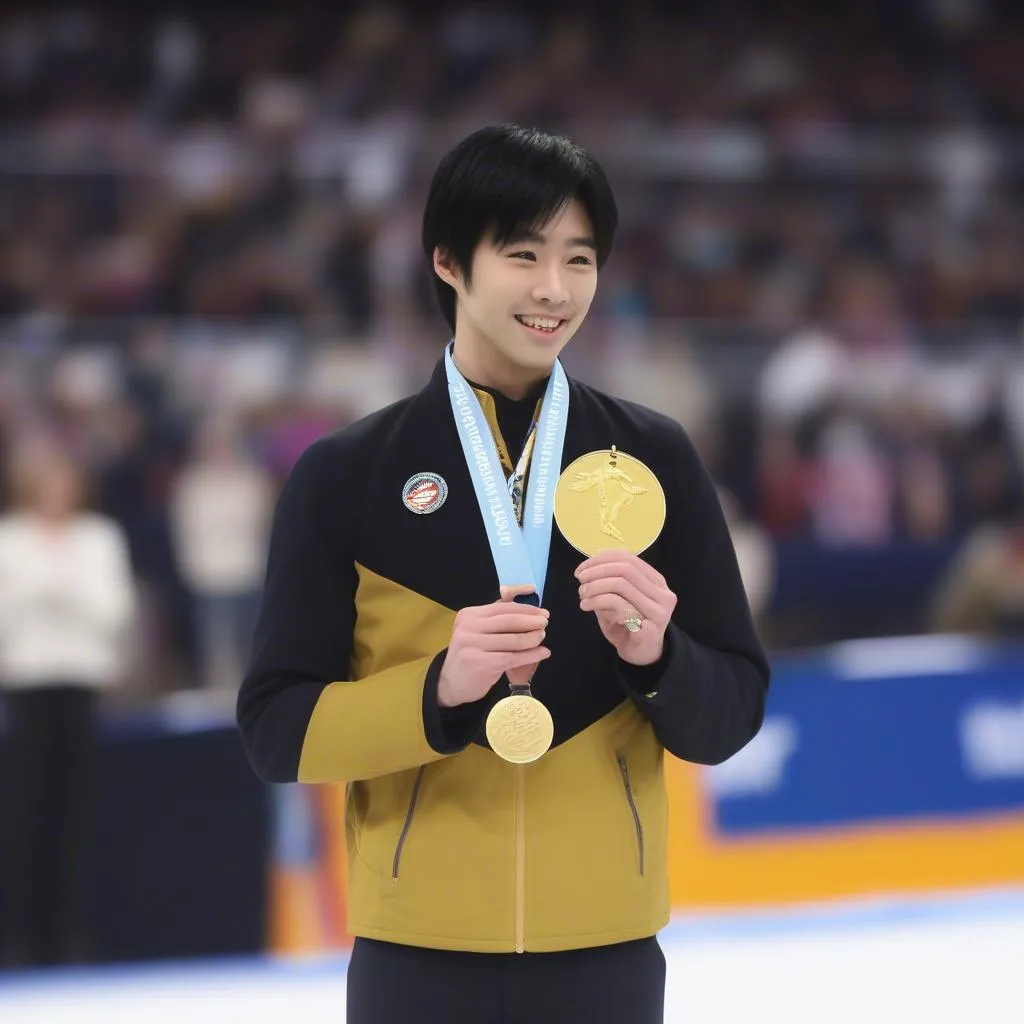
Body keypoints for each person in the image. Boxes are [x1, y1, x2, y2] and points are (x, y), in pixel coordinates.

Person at [237, 125, 771, 1023]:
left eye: (580, 258)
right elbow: (275, 730)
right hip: (417, 954)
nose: (554, 290)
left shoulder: (653, 457)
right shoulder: (348, 474)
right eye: (523, 254)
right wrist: (438, 689)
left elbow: (733, 713)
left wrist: (658, 659)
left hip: (608, 951)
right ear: (448, 261)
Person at [0, 438, 135, 968]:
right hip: (28, 685)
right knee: (24, 812)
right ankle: (24, 937)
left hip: (81, 684)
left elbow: (114, 611)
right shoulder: (9, 538)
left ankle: (69, 935)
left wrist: (53, 592)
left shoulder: (98, 537)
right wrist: (54, 591)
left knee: (74, 814)